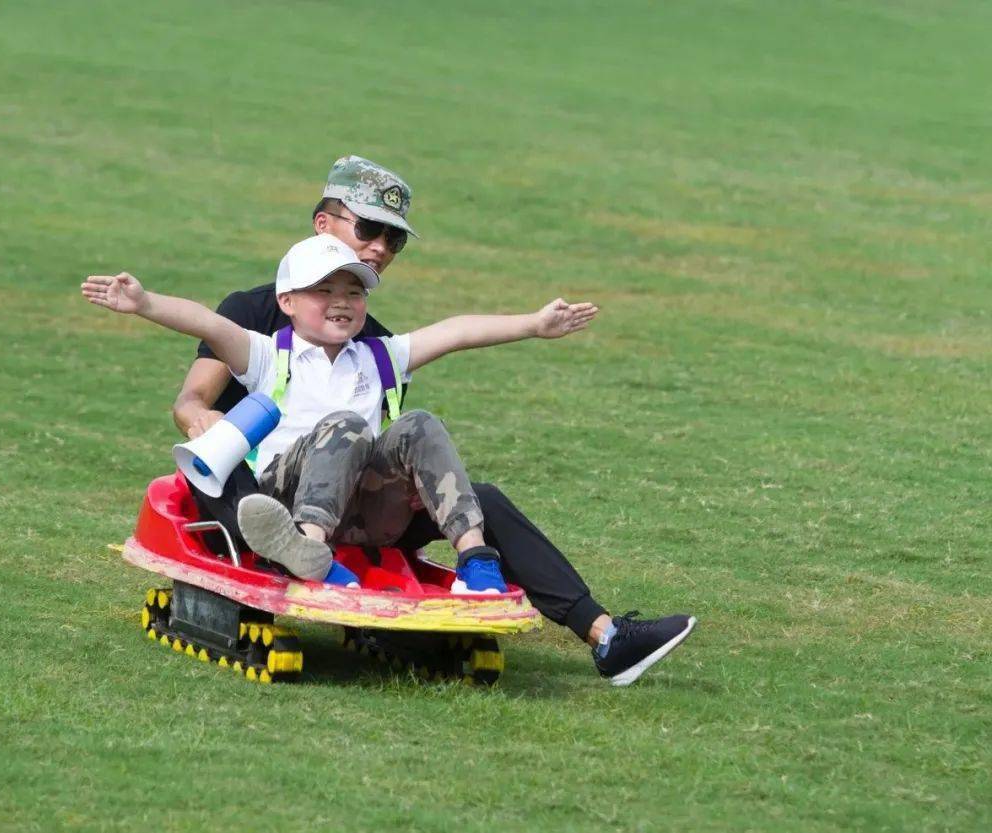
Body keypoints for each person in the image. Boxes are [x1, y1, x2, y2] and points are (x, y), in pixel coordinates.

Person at [171, 155, 696, 686]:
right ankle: (291, 548)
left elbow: (450, 340)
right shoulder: (251, 316)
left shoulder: (371, 342)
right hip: (251, 487)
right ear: (322, 223)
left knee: (480, 496)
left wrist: (533, 325)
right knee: (246, 463)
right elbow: (191, 399)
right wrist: (203, 419)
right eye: (369, 228)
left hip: (352, 499)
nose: (380, 248)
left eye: (393, 241)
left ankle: (605, 636)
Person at [82, 234, 598, 599]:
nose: (342, 302)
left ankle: (476, 557)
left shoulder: (380, 355)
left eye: (354, 292)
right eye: (323, 291)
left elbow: (457, 330)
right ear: (286, 300)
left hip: (365, 511)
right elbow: (209, 324)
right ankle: (307, 550)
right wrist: (145, 302)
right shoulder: (266, 354)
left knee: (418, 423)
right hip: (285, 497)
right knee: (345, 425)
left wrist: (533, 324)